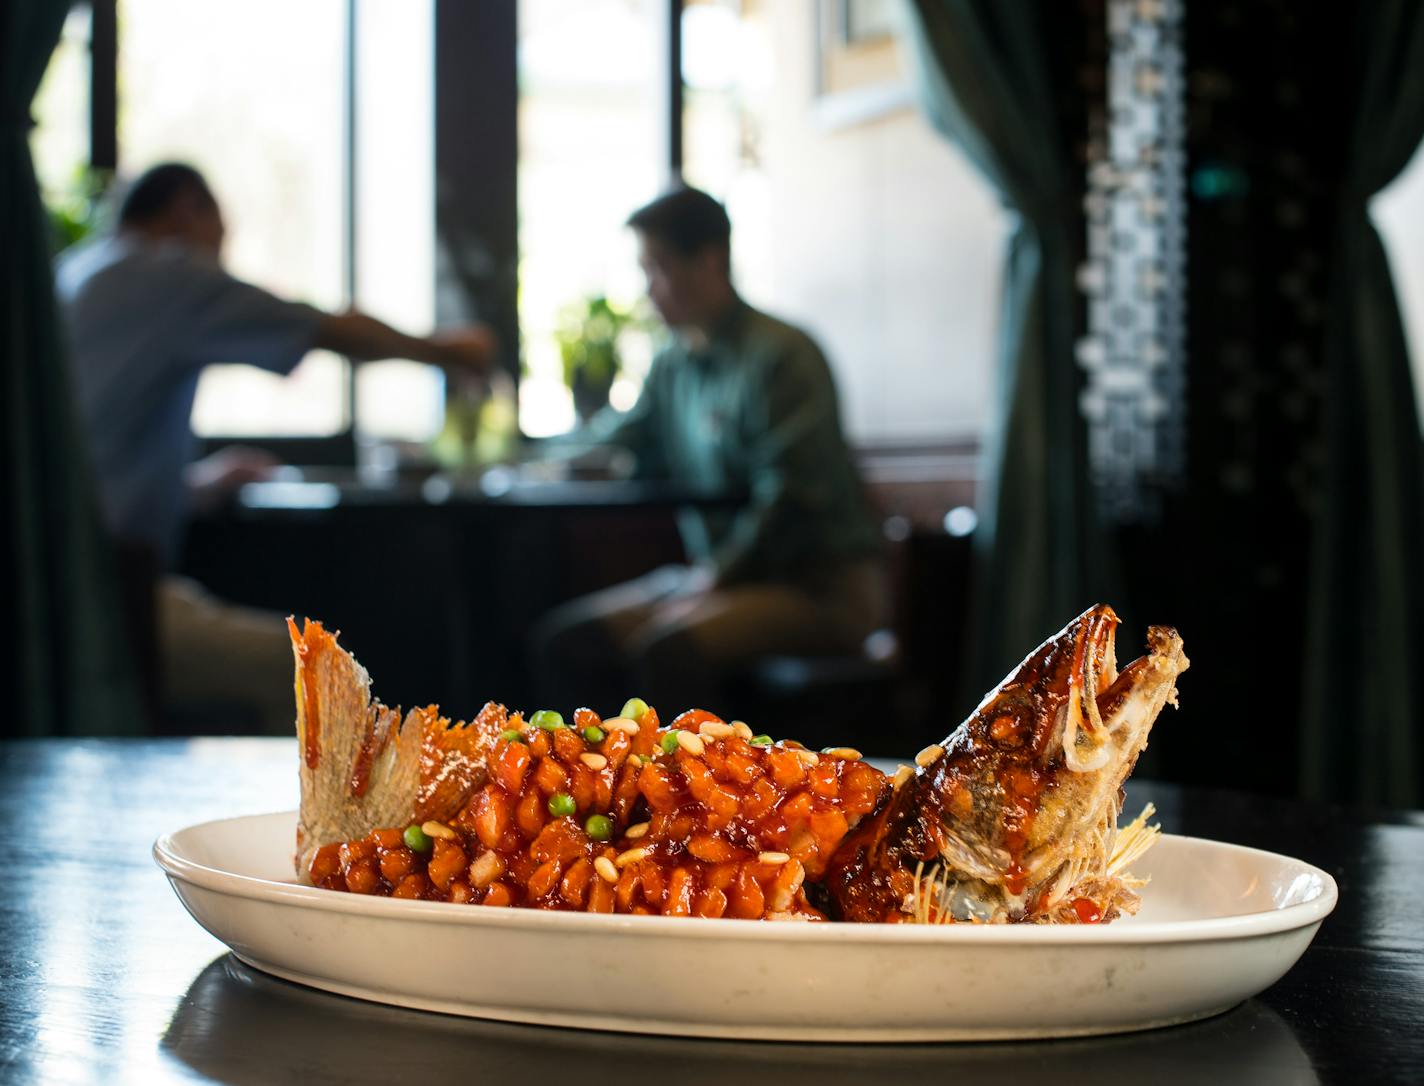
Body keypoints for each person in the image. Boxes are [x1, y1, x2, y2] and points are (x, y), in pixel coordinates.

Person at [55, 161, 496, 733]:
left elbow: (92, 459)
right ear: (189, 209)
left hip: (76, 577)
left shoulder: (78, 270)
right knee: (309, 672)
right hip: (103, 597)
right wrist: (448, 352)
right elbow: (323, 328)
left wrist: (197, 484)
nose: (218, 259)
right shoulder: (164, 272)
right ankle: (305, 826)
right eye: (221, 234)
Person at [530, 186, 886, 718]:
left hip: (820, 589)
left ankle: (700, 798)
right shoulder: (673, 363)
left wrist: (714, 578)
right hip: (715, 577)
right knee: (568, 640)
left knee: (667, 647)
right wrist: (526, 455)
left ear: (711, 260)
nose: (648, 289)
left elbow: (792, 497)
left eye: (658, 268)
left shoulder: (783, 356)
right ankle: (592, 792)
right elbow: (614, 439)